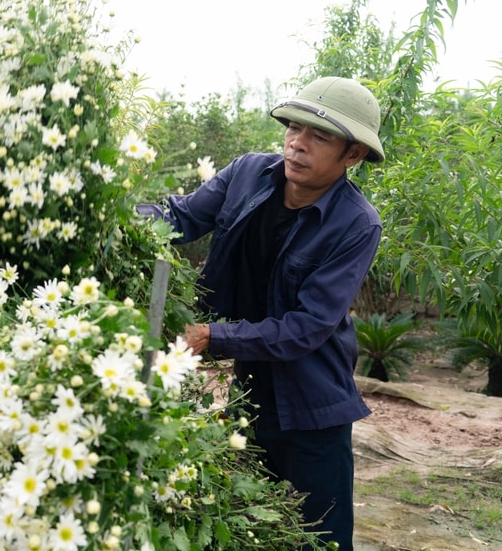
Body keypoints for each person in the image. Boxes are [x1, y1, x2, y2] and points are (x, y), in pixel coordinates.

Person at [137, 76, 384, 550]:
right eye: (294, 127)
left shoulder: (356, 223)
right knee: (255, 523)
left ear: (352, 155)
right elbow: (180, 217)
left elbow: (308, 327)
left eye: (319, 136)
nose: (297, 143)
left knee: (319, 537)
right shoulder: (248, 173)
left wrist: (212, 335)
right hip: (251, 392)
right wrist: (110, 215)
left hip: (313, 406)